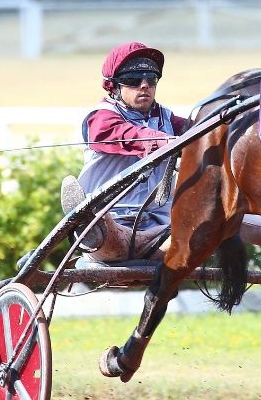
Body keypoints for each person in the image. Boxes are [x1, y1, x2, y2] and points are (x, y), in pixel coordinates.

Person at [61, 41, 189, 262]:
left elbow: (203, 130)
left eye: (151, 79)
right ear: (114, 86)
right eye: (133, 80)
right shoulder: (100, 118)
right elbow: (132, 135)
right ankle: (93, 226)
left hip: (161, 223)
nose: (144, 85)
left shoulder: (166, 118)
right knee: (113, 235)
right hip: (112, 221)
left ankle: (157, 240)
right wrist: (167, 142)